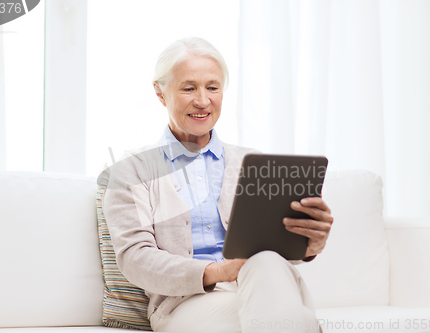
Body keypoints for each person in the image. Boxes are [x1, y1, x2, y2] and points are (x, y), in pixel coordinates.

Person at [103, 37, 333, 333]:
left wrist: (309, 243)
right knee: (286, 317)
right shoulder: (132, 169)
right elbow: (135, 258)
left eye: (212, 87)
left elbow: (275, 247)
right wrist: (217, 272)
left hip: (261, 287)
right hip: (184, 304)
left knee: (265, 264)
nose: (202, 100)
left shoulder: (253, 162)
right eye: (188, 88)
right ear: (160, 93)